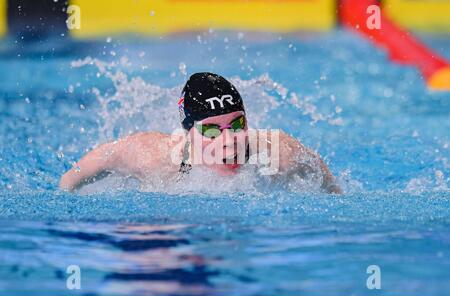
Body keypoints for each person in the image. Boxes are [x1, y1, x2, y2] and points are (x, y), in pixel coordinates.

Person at [60, 72, 341, 194]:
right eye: (211, 130)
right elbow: (71, 179)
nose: (228, 142)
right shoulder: (153, 157)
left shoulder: (278, 154)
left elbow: (330, 187)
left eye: (237, 125)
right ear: (188, 134)